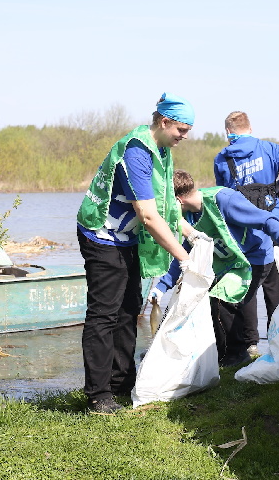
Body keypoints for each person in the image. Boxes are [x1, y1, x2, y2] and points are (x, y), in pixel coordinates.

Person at [76, 92, 195, 414]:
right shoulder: (137, 152)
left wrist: (193, 235)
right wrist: (183, 258)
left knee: (129, 310)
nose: (184, 136)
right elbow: (148, 215)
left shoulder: (161, 150)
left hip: (127, 238)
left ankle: (122, 383)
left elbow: (166, 205)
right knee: (104, 314)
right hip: (102, 236)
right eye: (181, 130)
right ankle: (98, 395)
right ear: (164, 121)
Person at [148, 170, 279, 367]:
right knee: (212, 301)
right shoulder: (190, 216)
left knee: (223, 299)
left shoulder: (225, 200)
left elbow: (266, 219)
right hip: (232, 263)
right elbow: (185, 252)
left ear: (178, 200)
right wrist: (162, 287)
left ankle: (236, 355)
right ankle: (224, 353)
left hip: (256, 258)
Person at [213, 111, 279, 358]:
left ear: (228, 132)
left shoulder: (222, 158)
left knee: (248, 282)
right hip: (273, 226)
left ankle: (250, 343)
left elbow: (222, 195)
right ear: (250, 128)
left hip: (242, 230)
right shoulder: (270, 149)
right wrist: (278, 186)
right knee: (274, 285)